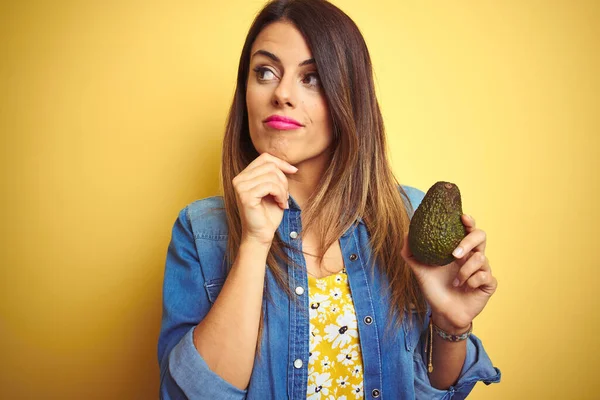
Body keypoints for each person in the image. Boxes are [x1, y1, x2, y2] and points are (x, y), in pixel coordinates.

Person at [158, 0, 501, 398]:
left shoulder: (406, 217)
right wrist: (254, 243)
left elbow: (434, 390)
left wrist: (451, 327)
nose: (282, 94)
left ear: (349, 97)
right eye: (265, 72)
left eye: (312, 77)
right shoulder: (201, 232)